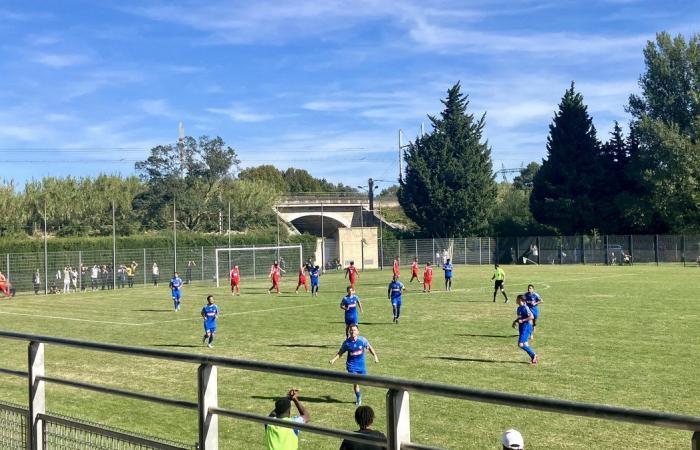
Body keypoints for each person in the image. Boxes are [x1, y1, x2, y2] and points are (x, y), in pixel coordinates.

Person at [329, 324, 379, 406]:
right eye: (351, 330)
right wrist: (333, 360)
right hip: (351, 366)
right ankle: (358, 398)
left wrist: (375, 356)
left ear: (358, 331)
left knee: (365, 381)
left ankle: (359, 393)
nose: (352, 331)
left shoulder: (362, 340)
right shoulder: (346, 343)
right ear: (349, 332)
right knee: (356, 382)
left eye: (354, 330)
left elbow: (369, 347)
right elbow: (340, 352)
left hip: (361, 366)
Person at [512, 295, 538, 364]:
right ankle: (533, 358)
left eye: (517, 299)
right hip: (522, 327)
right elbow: (519, 317)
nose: (516, 300)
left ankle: (534, 355)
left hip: (526, 327)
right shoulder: (519, 308)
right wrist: (515, 321)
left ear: (520, 300)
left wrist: (523, 320)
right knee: (525, 344)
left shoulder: (525, 308)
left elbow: (531, 317)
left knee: (520, 344)